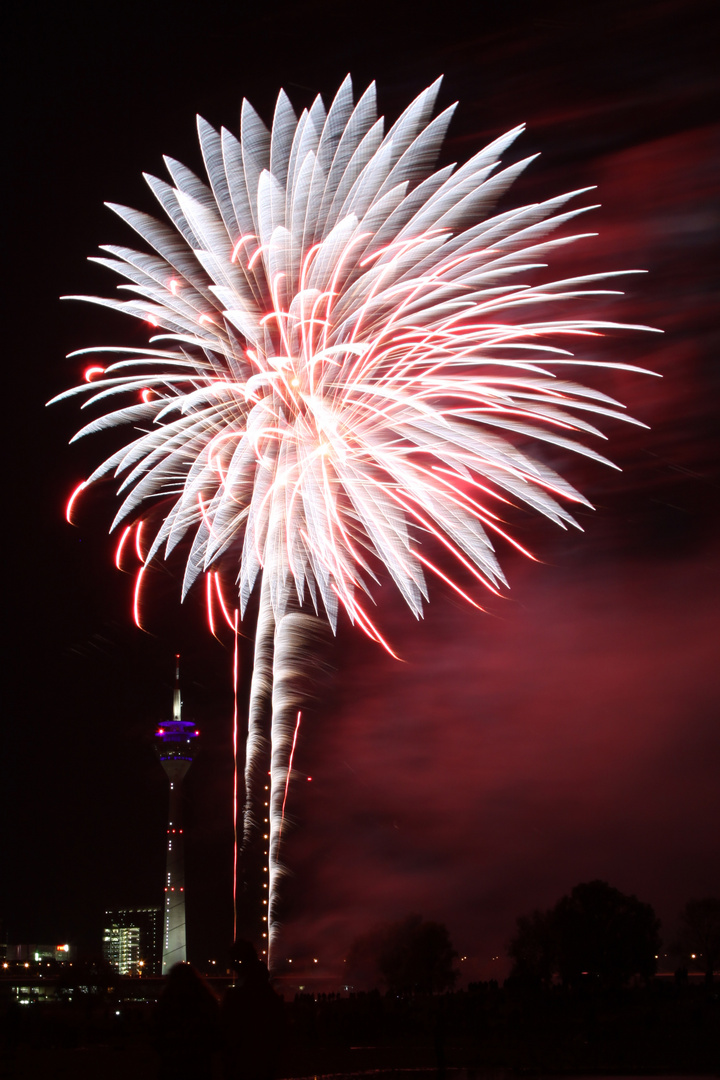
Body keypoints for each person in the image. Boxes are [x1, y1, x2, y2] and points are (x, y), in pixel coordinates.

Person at [220, 941, 284, 1080]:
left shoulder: (237, 995)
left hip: (243, 1063)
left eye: (234, 961)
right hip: (265, 1062)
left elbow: (227, 1032)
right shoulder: (268, 992)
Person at [154, 961, 220, 1079]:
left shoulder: (166, 1005)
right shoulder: (207, 1004)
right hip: (200, 1068)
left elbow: (155, 1037)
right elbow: (217, 1037)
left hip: (171, 1069)